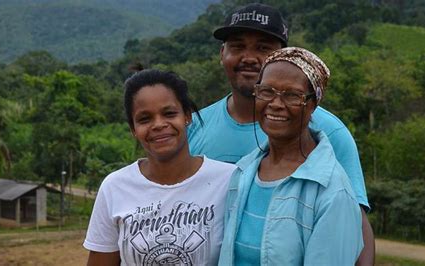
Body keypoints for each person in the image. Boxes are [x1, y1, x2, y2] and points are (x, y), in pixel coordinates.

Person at [187, 3, 375, 265]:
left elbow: (354, 229)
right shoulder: (195, 128)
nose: (249, 57)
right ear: (222, 53)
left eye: (263, 48)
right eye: (238, 46)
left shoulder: (332, 133)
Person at [219, 47, 363, 265]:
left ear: (313, 104)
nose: (276, 104)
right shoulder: (243, 172)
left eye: (292, 95)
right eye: (267, 91)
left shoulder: (332, 192)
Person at [83, 69, 236, 265]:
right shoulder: (114, 187)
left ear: (187, 116)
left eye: (169, 113)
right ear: (133, 129)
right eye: (144, 119)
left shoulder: (228, 180)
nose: (158, 124)